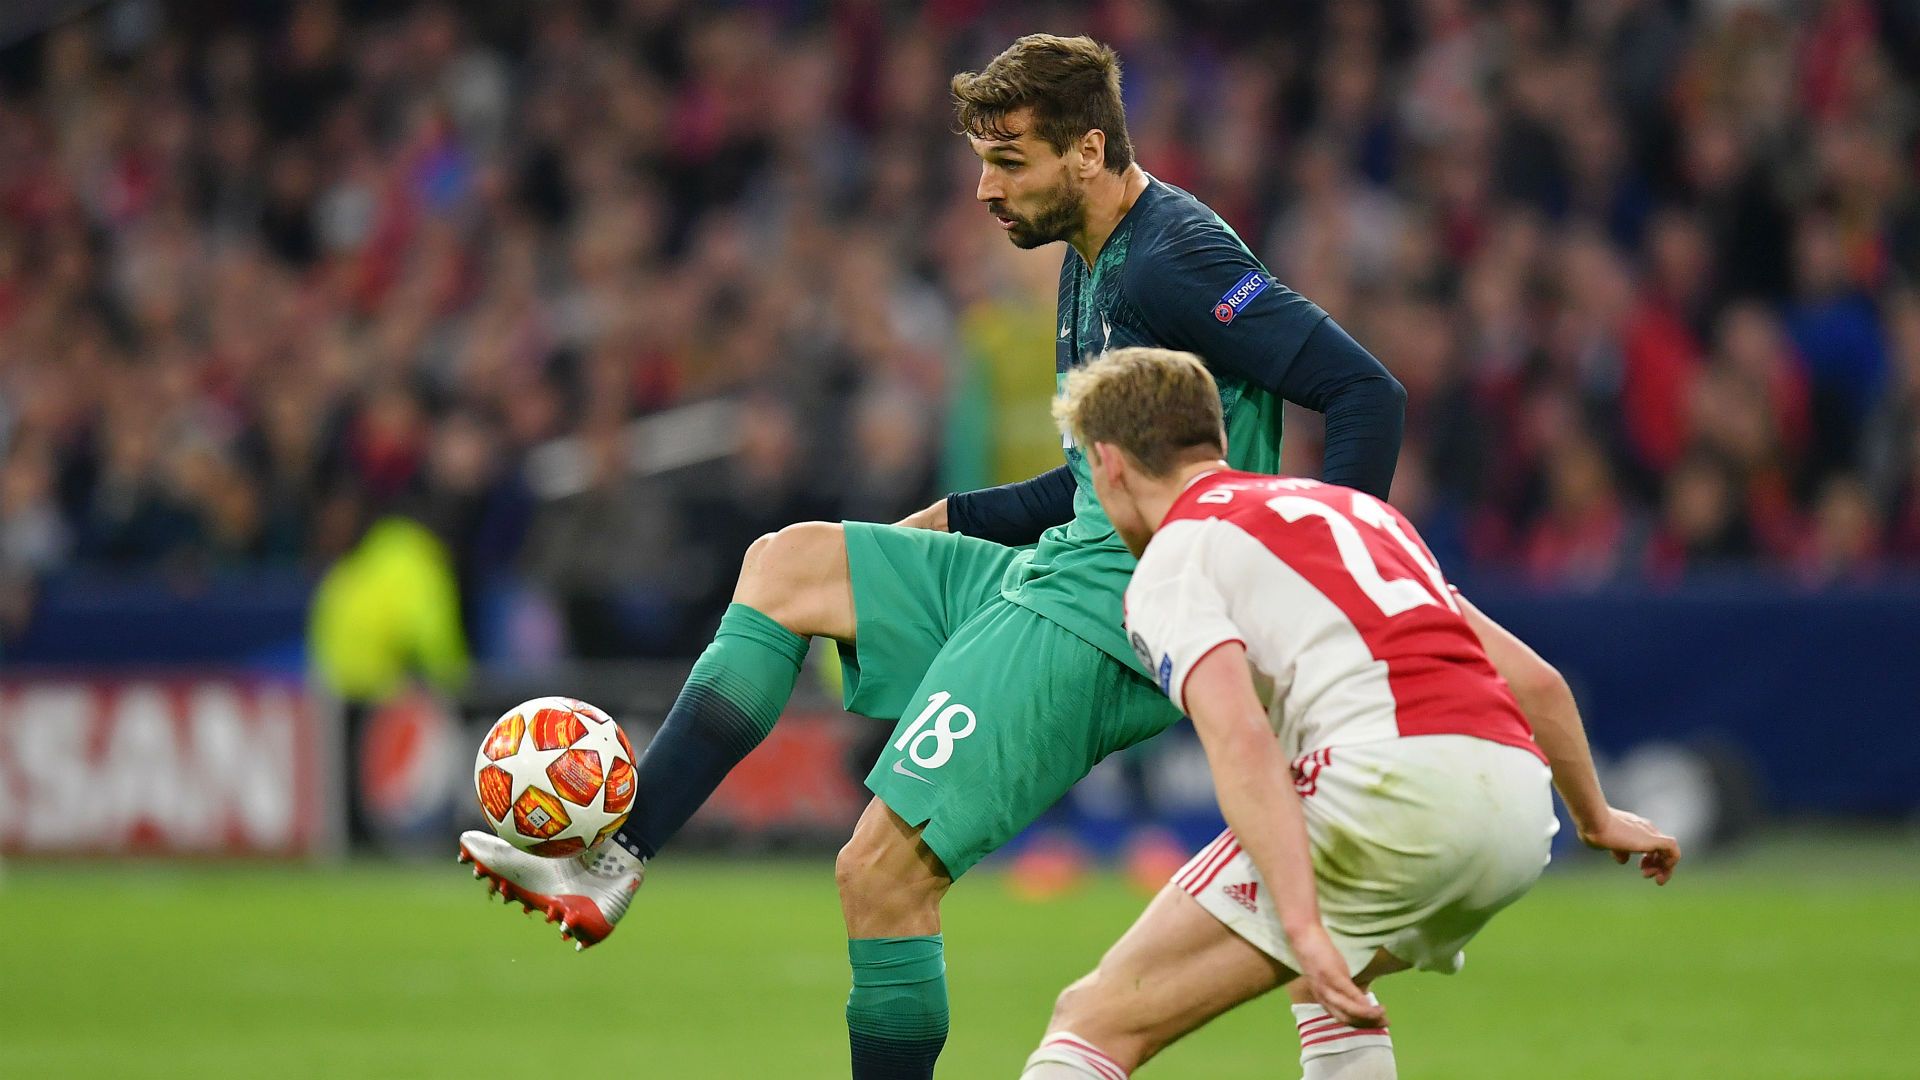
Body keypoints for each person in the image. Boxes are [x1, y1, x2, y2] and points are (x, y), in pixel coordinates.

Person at [456, 34, 1406, 1079]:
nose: (985, 189)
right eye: (982, 161)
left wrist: (1325, 580)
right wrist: (945, 520)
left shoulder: (1175, 258)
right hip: (1065, 565)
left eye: (1010, 161)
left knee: (880, 874)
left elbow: (1364, 391)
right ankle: (614, 861)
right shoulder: (1093, 256)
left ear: (1089, 151)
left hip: (1111, 612)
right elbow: (1084, 490)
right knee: (789, 565)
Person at [1022, 347, 1679, 1080]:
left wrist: (1300, 919)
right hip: (1518, 812)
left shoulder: (1175, 557)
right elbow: (1537, 681)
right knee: (1333, 985)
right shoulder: (1358, 512)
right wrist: (1595, 815)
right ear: (1216, 440)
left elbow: (1241, 739)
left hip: (1383, 790)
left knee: (1094, 1020)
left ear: (1107, 463)